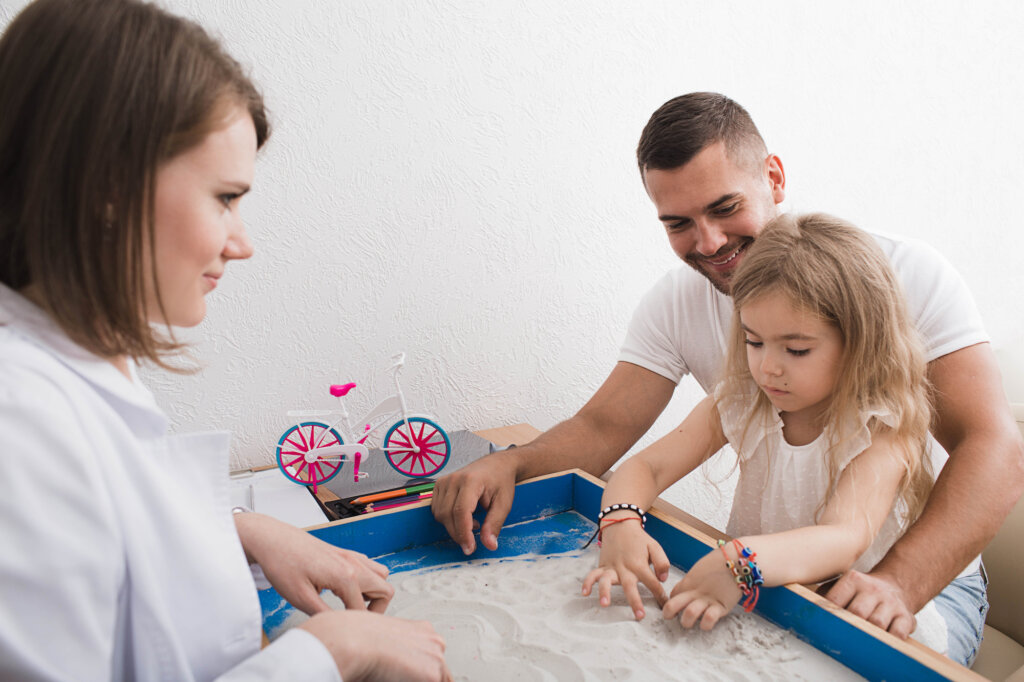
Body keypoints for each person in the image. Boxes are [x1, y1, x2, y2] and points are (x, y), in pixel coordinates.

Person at [433, 92, 1024, 666]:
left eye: (723, 208)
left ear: (773, 177)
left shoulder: (897, 297)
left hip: (903, 585)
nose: (709, 242)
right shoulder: (738, 389)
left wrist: (892, 583)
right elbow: (609, 431)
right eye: (678, 223)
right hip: (773, 577)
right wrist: (526, 470)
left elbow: (989, 451)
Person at [0, 1, 449, 680]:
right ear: (104, 190)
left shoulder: (77, 362)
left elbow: (105, 530)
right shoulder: (20, 423)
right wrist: (331, 654)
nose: (242, 244)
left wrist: (240, 533)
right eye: (224, 198)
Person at [581, 213, 949, 653]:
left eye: (796, 349)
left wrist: (737, 561)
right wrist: (621, 521)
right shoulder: (743, 399)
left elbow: (843, 538)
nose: (768, 367)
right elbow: (647, 467)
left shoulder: (883, 426)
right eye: (754, 342)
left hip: (859, 630)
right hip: (763, 605)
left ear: (860, 342)